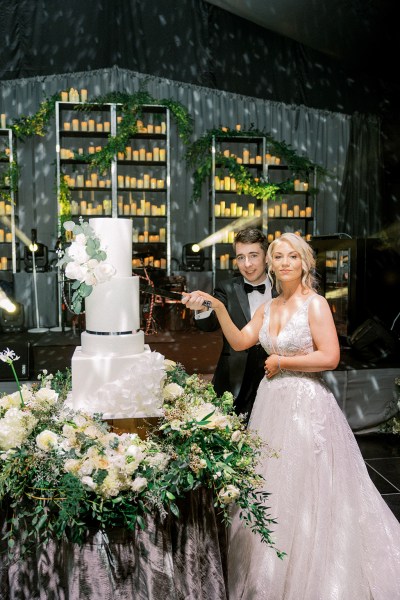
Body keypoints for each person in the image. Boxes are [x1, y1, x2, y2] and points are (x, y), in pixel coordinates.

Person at [182, 232, 400, 599]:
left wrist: (283, 361)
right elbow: (239, 342)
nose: (284, 263)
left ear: (305, 263)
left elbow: (329, 357)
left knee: (307, 487)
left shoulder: (315, 304)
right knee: (271, 485)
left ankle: (311, 569)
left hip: (306, 405)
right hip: (271, 404)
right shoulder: (266, 308)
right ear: (272, 264)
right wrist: (218, 308)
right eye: (279, 257)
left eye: (292, 257)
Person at [194, 227, 274, 421]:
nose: (247, 264)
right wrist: (203, 308)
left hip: (274, 372)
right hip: (235, 374)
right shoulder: (227, 287)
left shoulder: (283, 287)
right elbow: (209, 324)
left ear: (266, 257)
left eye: (253, 255)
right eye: (240, 257)